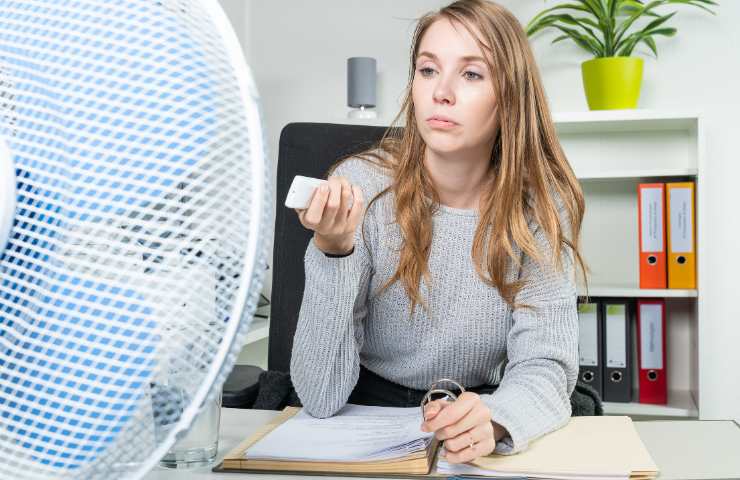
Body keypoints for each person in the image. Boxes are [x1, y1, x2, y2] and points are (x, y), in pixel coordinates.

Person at [290, 0, 587, 464]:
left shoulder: (539, 207)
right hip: (367, 412)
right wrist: (334, 251)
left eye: (472, 74)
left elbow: (545, 364)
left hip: (480, 405)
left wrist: (498, 417)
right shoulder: (364, 186)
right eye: (428, 70)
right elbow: (320, 395)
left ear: (510, 95)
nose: (441, 92)